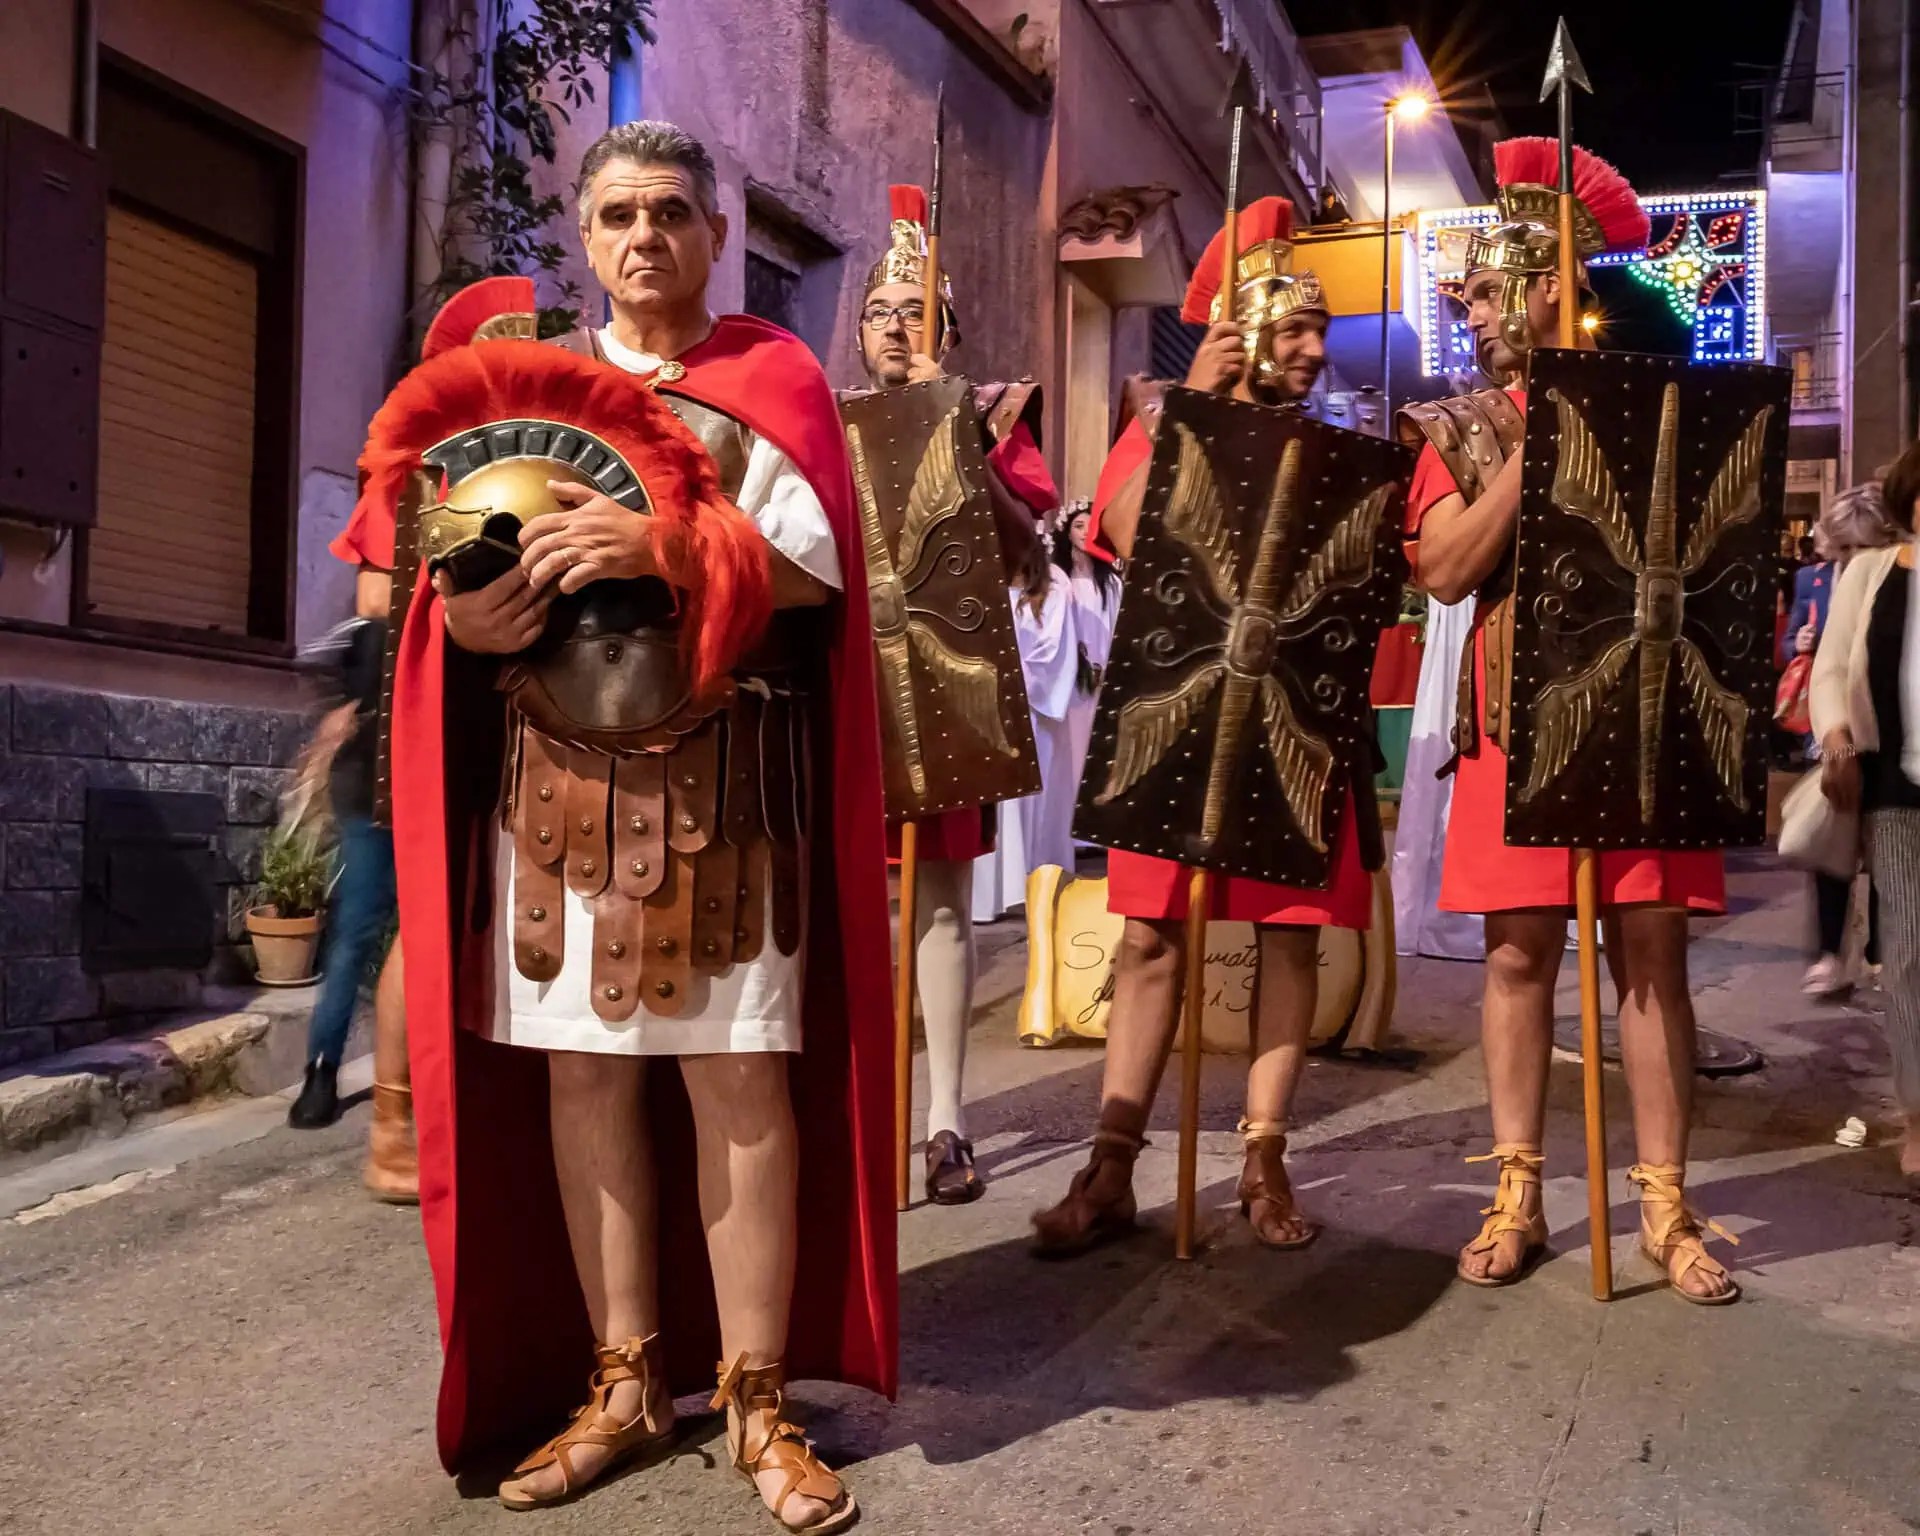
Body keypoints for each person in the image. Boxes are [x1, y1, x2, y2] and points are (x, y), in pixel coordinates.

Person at [364, 121, 893, 1530]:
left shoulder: (768, 379)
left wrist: (664, 544)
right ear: (586, 239)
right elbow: (450, 595)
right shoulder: (535, 389)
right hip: (555, 801)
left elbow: (818, 569)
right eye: (616, 215)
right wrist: (466, 616)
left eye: (670, 211)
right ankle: (621, 1383)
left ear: (716, 234)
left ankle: (759, 1394)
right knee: (584, 1083)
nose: (644, 236)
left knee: (738, 1086)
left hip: (732, 792)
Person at [1403, 137, 1739, 1304]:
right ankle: (1519, 1190)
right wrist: (1536, 441)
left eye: (1494, 285)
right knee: (1516, 956)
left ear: (1555, 285)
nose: (1472, 304)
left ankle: (1664, 1203)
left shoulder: (1653, 404)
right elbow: (1443, 569)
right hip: (1513, 720)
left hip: (1641, 719)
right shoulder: (1457, 426)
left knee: (1652, 958)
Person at [1032, 196, 1378, 1256]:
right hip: (1176, 712)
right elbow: (1129, 532)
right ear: (1239, 326)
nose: (1315, 350)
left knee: (1287, 936)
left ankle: (1264, 1159)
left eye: (1321, 332)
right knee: (1148, 937)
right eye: (1293, 329)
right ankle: (1113, 1163)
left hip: (1294, 718)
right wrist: (1192, 410)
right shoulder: (1162, 425)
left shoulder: (1336, 451)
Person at [849, 184, 1062, 1203]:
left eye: (917, 312)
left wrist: (955, 429)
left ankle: (944, 1124)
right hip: (850, 686)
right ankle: (859, 1112)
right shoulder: (824, 422)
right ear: (857, 330)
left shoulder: (993, 420)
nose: (898, 326)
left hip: (946, 682)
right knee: (850, 908)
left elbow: (1027, 554)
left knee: (939, 908)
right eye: (883, 311)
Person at [319, 277, 545, 1186]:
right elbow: (378, 599)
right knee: (424, 921)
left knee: (501, 915)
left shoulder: (528, 455)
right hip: (428, 713)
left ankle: (482, 1120)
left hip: (518, 713)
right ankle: (392, 1135)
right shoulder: (415, 467)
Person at [1809, 441, 1920, 1190]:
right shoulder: (1869, 573)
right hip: (1895, 793)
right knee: (1908, 957)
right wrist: (1835, 736)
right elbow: (1831, 669)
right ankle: (1919, 1118)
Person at [1797, 487, 1894, 994]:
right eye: (1849, 546)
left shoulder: (1896, 574)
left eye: (1867, 544)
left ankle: (1881, 953)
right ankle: (1831, 954)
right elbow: (1807, 643)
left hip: (1887, 733)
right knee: (1832, 847)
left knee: (1887, 851)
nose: (1858, 556)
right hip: (1834, 723)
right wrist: (1801, 640)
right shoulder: (1815, 578)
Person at [974, 516, 1078, 922]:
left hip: (1030, 707)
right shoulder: (987, 578)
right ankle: (986, 898)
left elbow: (1051, 648)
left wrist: (1010, 682)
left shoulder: (1052, 584)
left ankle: (1028, 885)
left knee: (1026, 802)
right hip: (986, 704)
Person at [1054, 499, 1122, 850]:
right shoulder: (1058, 579)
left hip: (1102, 675)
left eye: (1088, 526)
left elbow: (1115, 627)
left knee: (1100, 749)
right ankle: (1068, 831)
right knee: (1069, 749)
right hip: (1070, 678)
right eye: (1078, 526)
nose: (1083, 533)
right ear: (1067, 532)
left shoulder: (1109, 581)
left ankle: (1095, 830)